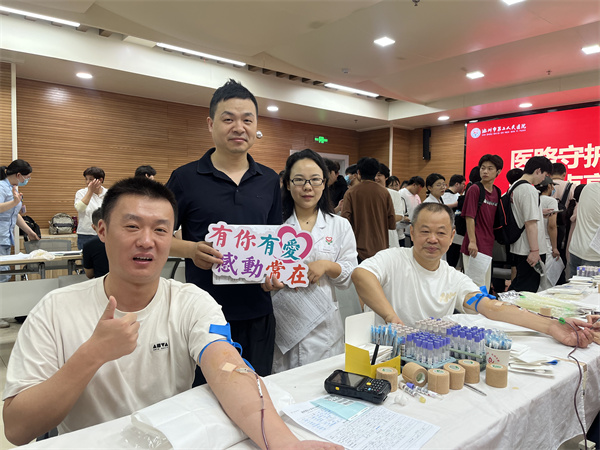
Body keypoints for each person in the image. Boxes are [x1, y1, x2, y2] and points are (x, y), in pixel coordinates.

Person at [2, 177, 339, 450]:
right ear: (102, 230)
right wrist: (92, 354)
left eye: (161, 230)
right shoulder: (55, 309)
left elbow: (228, 369)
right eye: (132, 226)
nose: (147, 241)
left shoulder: (191, 302)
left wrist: (284, 444)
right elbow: (17, 429)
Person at [351, 202, 594, 349]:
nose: (432, 239)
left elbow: (492, 307)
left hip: (429, 355)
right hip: (381, 351)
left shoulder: (454, 278)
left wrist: (551, 326)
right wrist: (391, 317)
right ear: (412, 233)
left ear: (451, 236)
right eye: (425, 231)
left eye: (441, 233)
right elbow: (361, 275)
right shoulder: (394, 258)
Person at [166, 79, 282, 379]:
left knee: (256, 391)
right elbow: (157, 237)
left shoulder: (270, 180)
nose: (238, 127)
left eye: (247, 120)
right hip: (203, 314)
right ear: (211, 124)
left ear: (256, 126)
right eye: (228, 119)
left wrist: (275, 274)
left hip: (258, 311)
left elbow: (275, 242)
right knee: (203, 395)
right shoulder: (185, 178)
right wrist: (191, 250)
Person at [272, 149, 357, 372]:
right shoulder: (273, 226)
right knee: (285, 386)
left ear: (324, 183)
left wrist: (327, 266)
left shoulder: (339, 225)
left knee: (322, 384)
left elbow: (349, 274)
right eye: (299, 180)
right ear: (287, 184)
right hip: (285, 324)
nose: (307, 187)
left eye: (315, 180)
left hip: (324, 328)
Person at [0, 160, 40, 328]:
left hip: (5, 238)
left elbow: (14, 214)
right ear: (18, 175)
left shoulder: (13, 188)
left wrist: (29, 231)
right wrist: (14, 203)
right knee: (2, 275)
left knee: (4, 275)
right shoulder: (1, 187)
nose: (27, 180)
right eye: (27, 177)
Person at [508, 156, 553, 293]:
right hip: (529, 249)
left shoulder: (515, 186)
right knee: (526, 291)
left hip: (519, 246)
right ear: (538, 171)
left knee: (520, 285)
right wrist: (534, 251)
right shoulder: (529, 190)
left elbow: (521, 214)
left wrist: (539, 212)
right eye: (545, 175)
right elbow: (530, 223)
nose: (543, 180)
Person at [461, 155, 503, 290]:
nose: (485, 171)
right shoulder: (475, 189)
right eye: (483, 168)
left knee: (485, 284)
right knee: (474, 286)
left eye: (490, 168)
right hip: (474, 245)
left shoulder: (497, 191)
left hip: (488, 243)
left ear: (498, 171)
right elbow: (469, 217)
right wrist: (472, 242)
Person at [341, 157, 395, 263]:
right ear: (375, 172)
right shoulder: (384, 192)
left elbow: (344, 221)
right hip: (381, 247)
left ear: (359, 172)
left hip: (358, 247)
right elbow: (391, 222)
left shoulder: (351, 192)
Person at [568, 182, 600, 278]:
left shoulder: (588, 188)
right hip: (594, 256)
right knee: (592, 287)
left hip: (576, 248)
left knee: (574, 286)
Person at [74, 167, 107, 250]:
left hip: (105, 232)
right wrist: (90, 191)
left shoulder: (109, 193)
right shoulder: (81, 193)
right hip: (85, 234)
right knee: (86, 257)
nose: (87, 182)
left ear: (100, 180)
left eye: (91, 179)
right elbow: (80, 208)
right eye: (86, 179)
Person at [375, 163, 407, 248]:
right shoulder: (366, 194)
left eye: (379, 175)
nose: (376, 178)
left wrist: (375, 219)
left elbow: (399, 216)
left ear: (386, 177)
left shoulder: (394, 194)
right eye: (374, 175)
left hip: (389, 236)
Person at [442, 174, 466, 268]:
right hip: (446, 230)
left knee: (455, 259)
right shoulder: (444, 195)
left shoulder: (459, 196)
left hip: (457, 232)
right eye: (463, 184)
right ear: (457, 184)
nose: (464, 187)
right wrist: (456, 204)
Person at [82, 208, 109, 279]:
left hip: (101, 283)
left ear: (93, 227)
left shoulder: (89, 245)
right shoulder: (125, 241)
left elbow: (89, 274)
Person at [398, 176, 424, 247]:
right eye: (419, 189)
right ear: (414, 185)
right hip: (402, 227)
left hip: (413, 226)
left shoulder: (416, 196)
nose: (419, 192)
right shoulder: (401, 193)